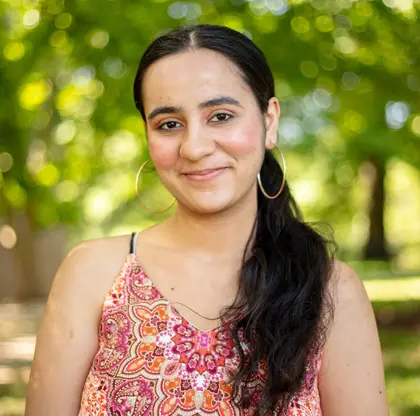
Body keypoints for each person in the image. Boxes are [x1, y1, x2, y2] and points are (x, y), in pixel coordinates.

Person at [25, 24, 389, 415]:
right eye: (169, 124)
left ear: (270, 121)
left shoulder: (331, 292)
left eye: (220, 116)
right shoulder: (93, 275)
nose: (194, 147)